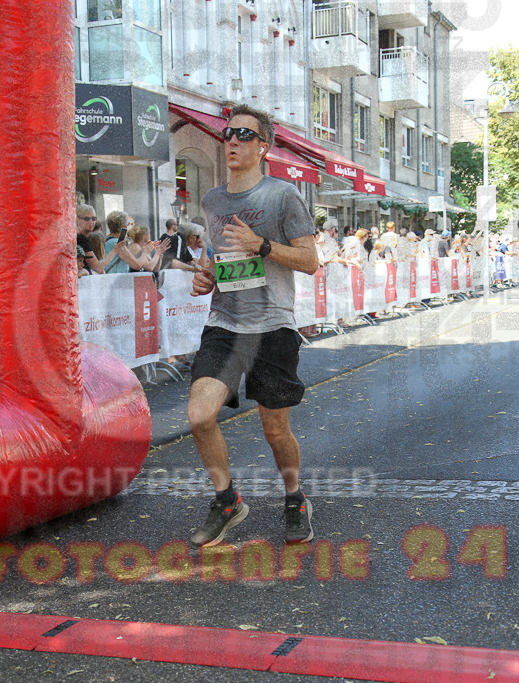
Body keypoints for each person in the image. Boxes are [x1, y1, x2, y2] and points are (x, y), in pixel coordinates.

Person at [186, 104, 319, 547]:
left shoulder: (283, 196)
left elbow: (310, 262)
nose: (233, 141)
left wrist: (262, 245)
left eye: (244, 135)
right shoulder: (212, 200)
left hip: (272, 325)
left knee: (274, 429)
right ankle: (227, 501)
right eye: (228, 133)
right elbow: (218, 260)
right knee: (199, 414)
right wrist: (206, 277)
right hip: (225, 323)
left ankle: (295, 498)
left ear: (263, 147)